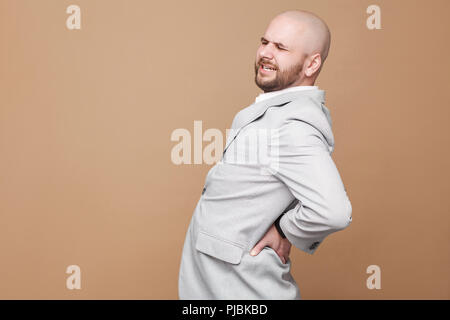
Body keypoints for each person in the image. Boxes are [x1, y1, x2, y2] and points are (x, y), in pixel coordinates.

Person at [178, 9, 352, 299]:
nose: (266, 53)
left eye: (281, 47)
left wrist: (286, 230)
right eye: (265, 42)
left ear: (312, 64)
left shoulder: (293, 126)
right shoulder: (277, 114)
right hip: (220, 283)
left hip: (243, 290)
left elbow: (333, 211)